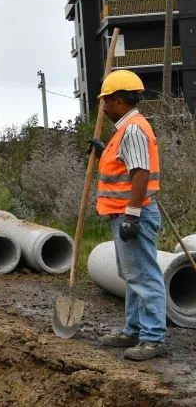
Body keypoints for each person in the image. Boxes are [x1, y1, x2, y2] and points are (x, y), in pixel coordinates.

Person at [88, 70, 166, 361]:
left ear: (119, 101)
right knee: (132, 275)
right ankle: (133, 330)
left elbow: (140, 173)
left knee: (144, 275)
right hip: (125, 213)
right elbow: (124, 167)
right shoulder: (128, 128)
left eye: (106, 101)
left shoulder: (133, 128)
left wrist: (132, 216)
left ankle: (153, 338)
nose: (104, 107)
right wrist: (101, 152)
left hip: (132, 214)